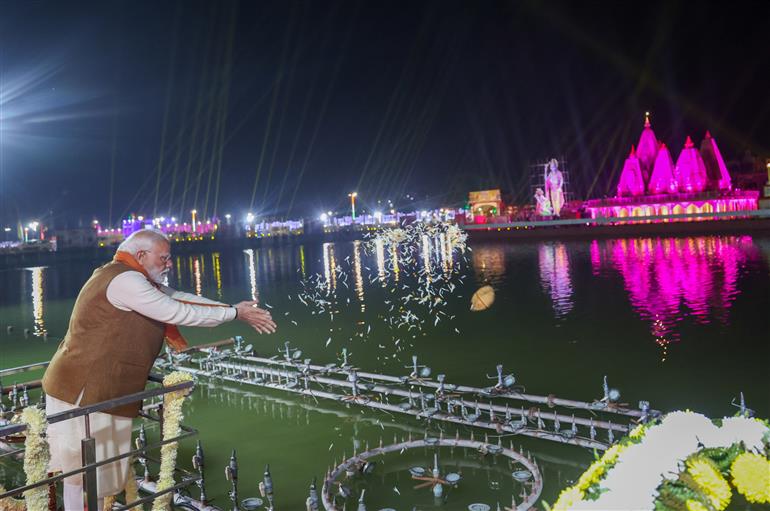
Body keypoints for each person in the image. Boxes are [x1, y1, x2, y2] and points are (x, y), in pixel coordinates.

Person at [41, 229, 276, 510]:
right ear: (141, 255)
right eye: (164, 258)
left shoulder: (129, 274)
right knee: (82, 474)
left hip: (93, 389)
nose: (169, 264)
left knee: (85, 475)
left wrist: (233, 309)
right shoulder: (126, 280)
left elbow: (182, 299)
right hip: (86, 391)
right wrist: (235, 314)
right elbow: (175, 311)